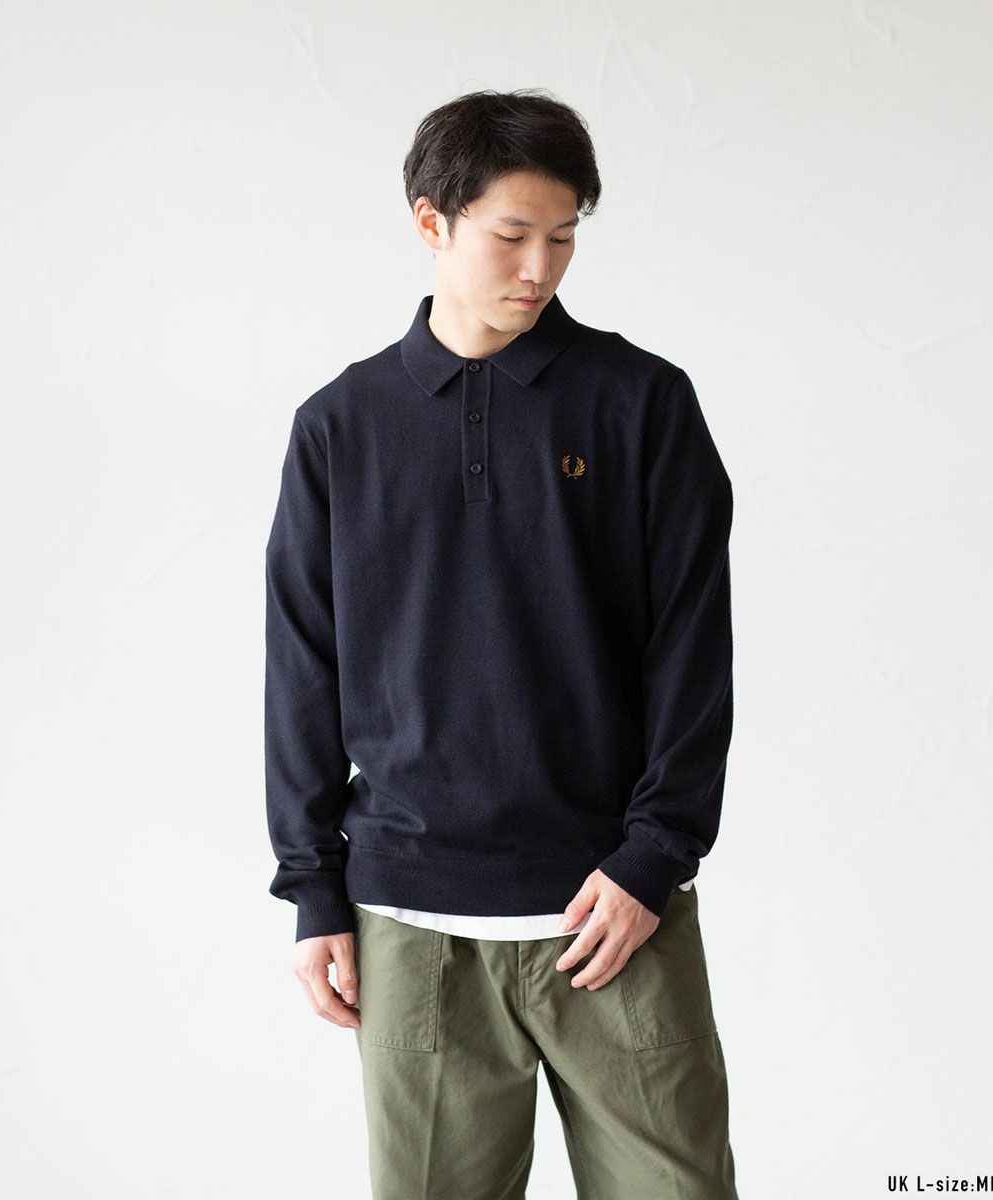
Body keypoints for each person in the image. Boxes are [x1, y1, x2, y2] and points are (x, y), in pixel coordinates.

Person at [264, 86, 740, 1200]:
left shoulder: (641, 404)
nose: (541, 268)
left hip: (617, 915)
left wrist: (653, 857)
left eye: (564, 236)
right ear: (431, 222)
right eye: (513, 235)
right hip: (411, 928)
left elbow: (692, 650)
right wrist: (313, 888)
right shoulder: (341, 427)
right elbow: (302, 667)